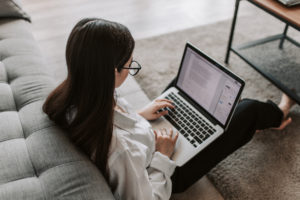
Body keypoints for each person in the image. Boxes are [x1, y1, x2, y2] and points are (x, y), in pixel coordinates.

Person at [43, 18, 296, 200]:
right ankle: (280, 112)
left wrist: (140, 115)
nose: (131, 70)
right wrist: (163, 155)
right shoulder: (118, 152)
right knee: (248, 110)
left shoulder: (79, 94)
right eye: (130, 66)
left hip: (146, 142)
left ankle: (227, 119)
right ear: (111, 72)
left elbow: (114, 124)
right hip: (167, 172)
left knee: (180, 89)